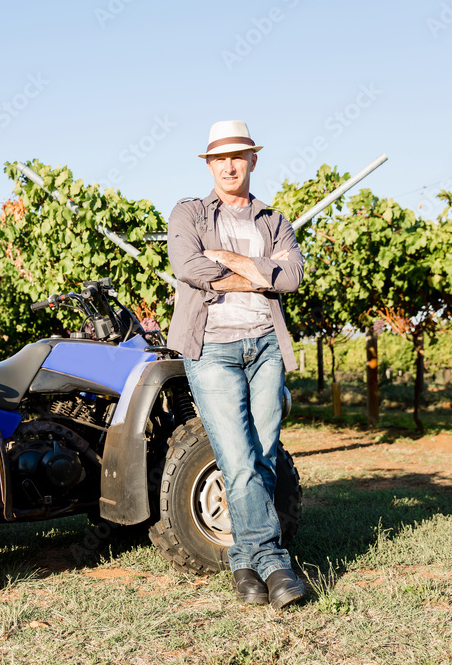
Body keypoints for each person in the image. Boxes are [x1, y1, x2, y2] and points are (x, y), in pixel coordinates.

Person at [166, 119, 306, 610]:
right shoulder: (188, 213)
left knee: (264, 458)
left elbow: (291, 278)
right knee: (239, 458)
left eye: (238, 156)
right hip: (212, 349)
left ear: (253, 160)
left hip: (265, 345)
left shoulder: (274, 220)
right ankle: (272, 560)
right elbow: (189, 267)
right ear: (209, 164)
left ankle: (243, 559)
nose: (229, 165)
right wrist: (257, 273)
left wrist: (230, 263)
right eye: (219, 158)